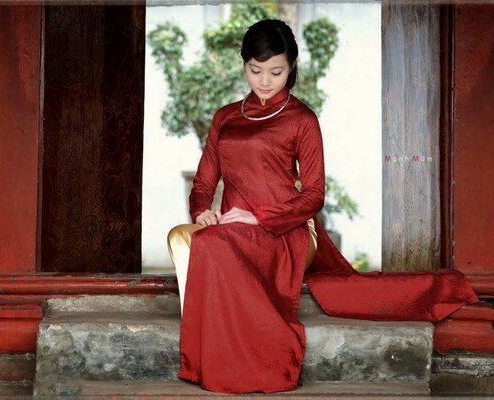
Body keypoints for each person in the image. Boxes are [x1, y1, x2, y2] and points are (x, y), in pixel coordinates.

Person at [166, 19, 478, 394]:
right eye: (256, 70)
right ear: (244, 64)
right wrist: (202, 210)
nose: (265, 80)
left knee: (213, 245)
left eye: (276, 71)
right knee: (195, 238)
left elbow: (313, 195)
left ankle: (259, 359)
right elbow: (203, 183)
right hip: (233, 228)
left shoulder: (301, 119)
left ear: (292, 67)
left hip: (286, 230)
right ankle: (212, 363)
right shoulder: (225, 118)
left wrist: (259, 216)